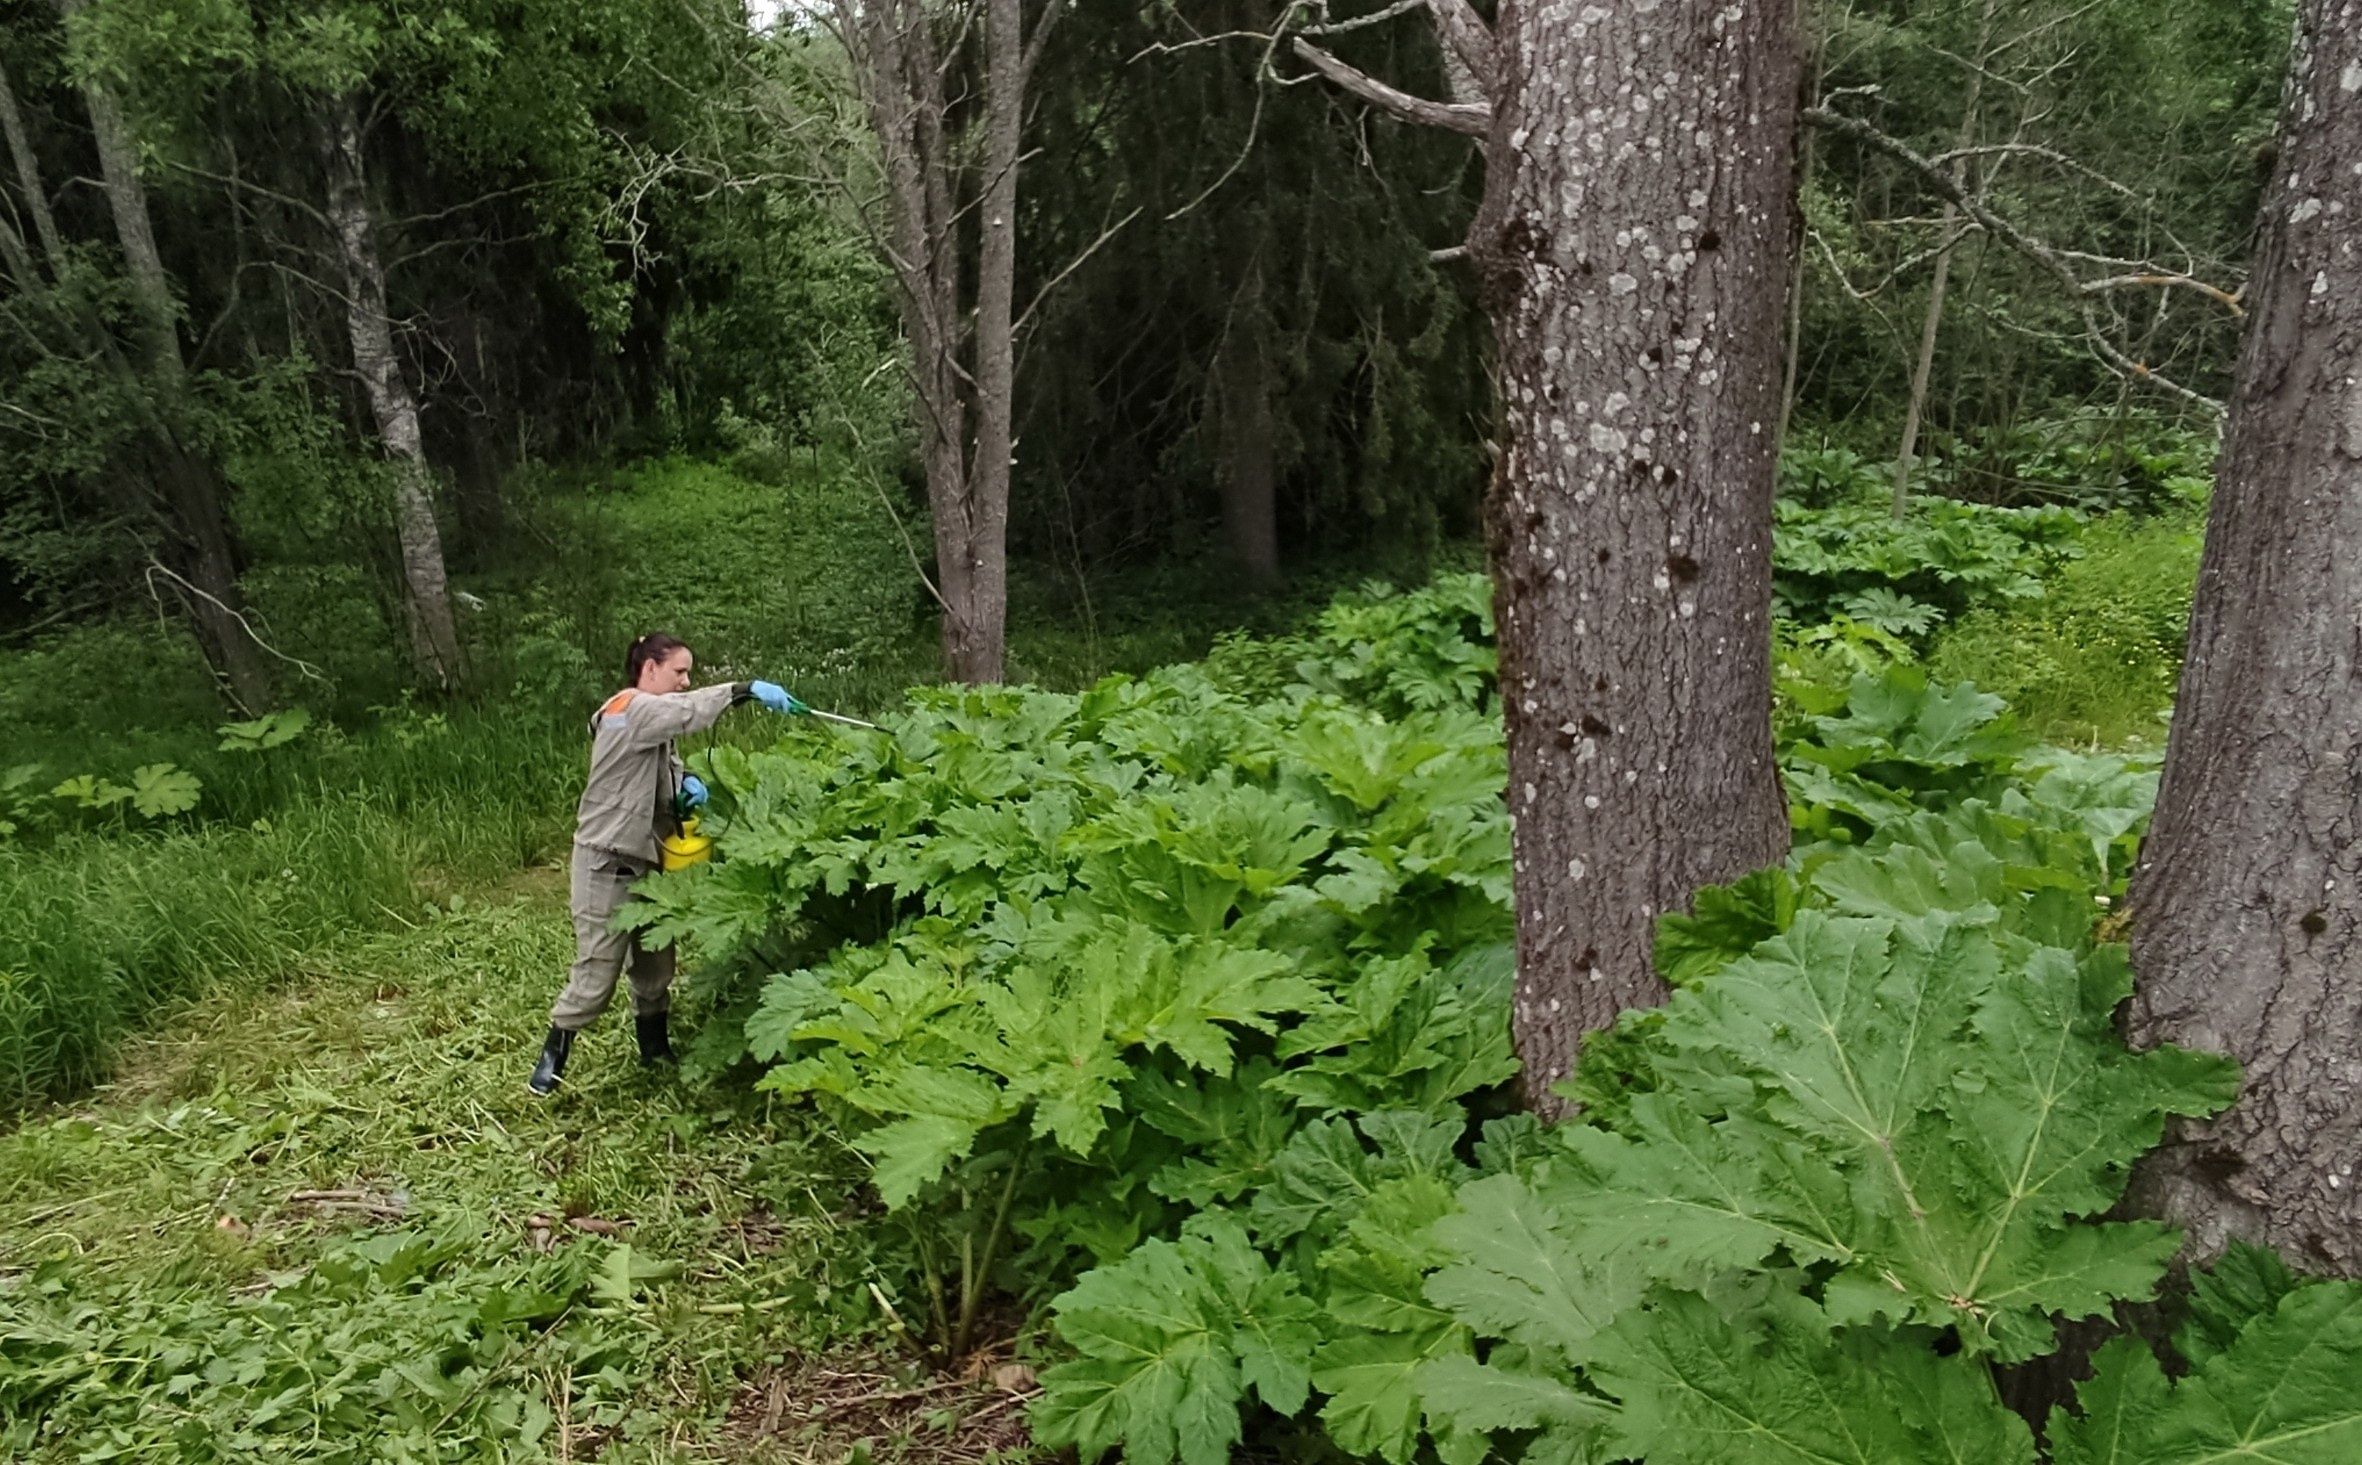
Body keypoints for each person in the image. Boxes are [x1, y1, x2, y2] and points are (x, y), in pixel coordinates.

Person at [527, 633, 808, 1096]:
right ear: (649, 669)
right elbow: (685, 711)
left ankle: (654, 1049)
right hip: (606, 861)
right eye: (679, 671)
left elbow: (666, 768)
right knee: (598, 973)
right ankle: (554, 1052)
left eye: (688, 673)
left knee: (657, 963)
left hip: (647, 855)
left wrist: (688, 783)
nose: (686, 681)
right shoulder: (631, 709)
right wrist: (744, 690)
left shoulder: (653, 727)